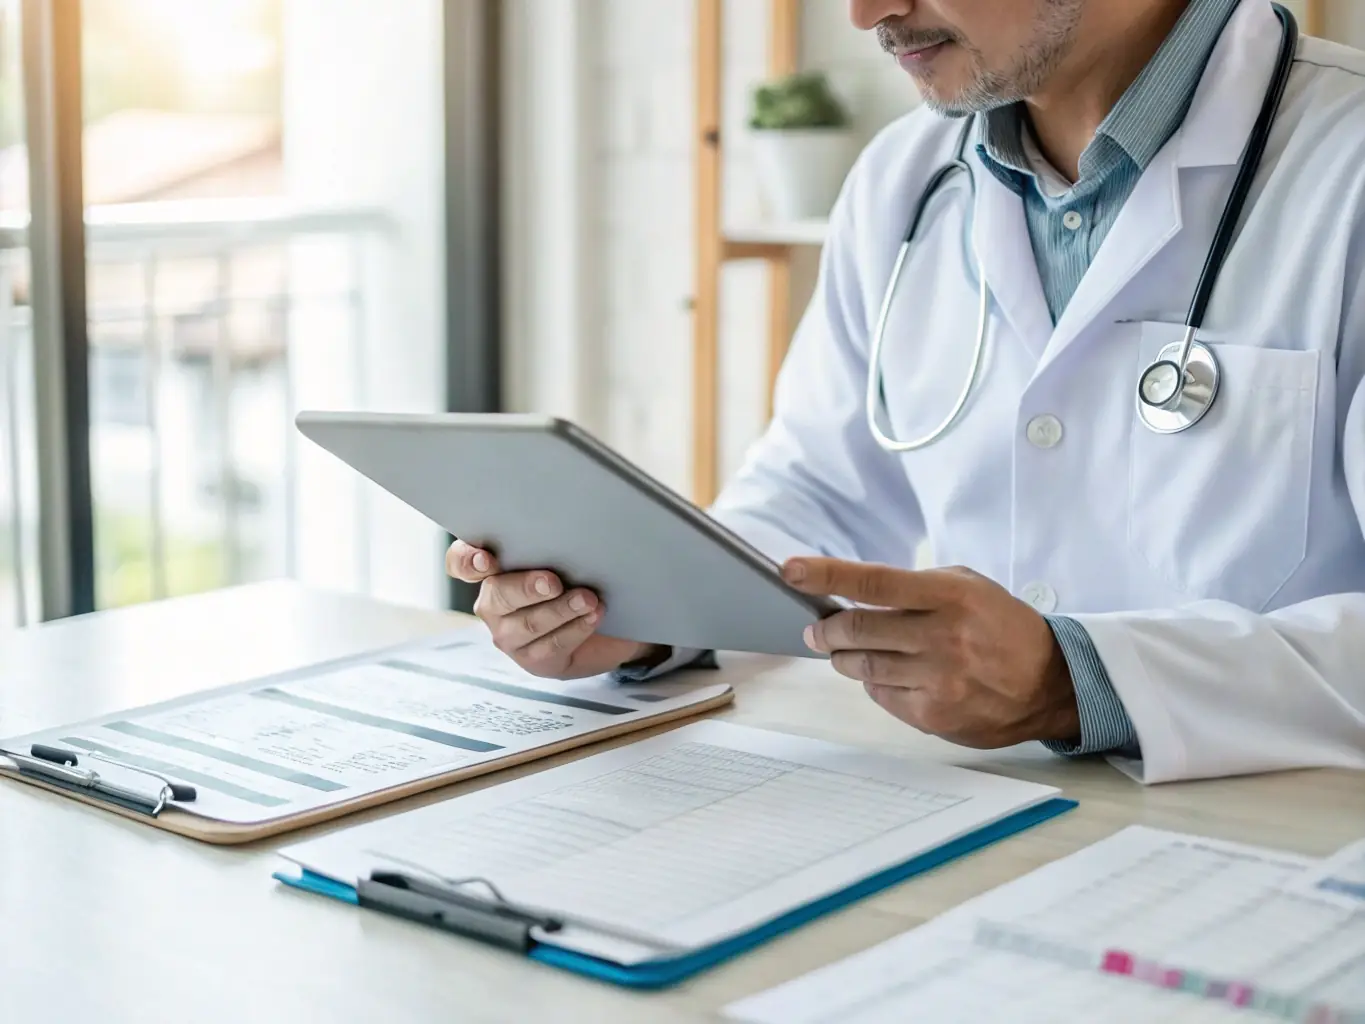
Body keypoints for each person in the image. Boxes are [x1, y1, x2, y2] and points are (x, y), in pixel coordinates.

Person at [449, 0, 1365, 784]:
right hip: (982, 826)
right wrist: (647, 611)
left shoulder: (1346, 166)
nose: (862, 11)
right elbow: (819, 496)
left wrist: (1077, 677)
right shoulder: (902, 181)